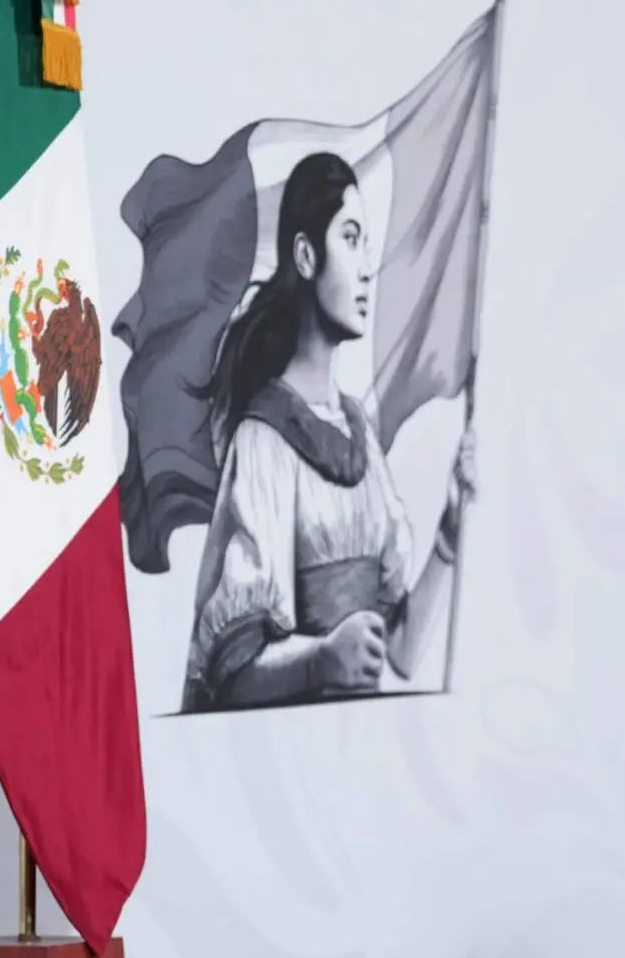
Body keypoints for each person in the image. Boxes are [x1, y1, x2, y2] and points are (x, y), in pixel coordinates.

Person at [180, 151, 476, 712]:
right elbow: (232, 674)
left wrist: (449, 532)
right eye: (351, 237)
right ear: (306, 255)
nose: (367, 267)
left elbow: (403, 652)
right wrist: (320, 658)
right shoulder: (264, 440)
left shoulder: (359, 435)